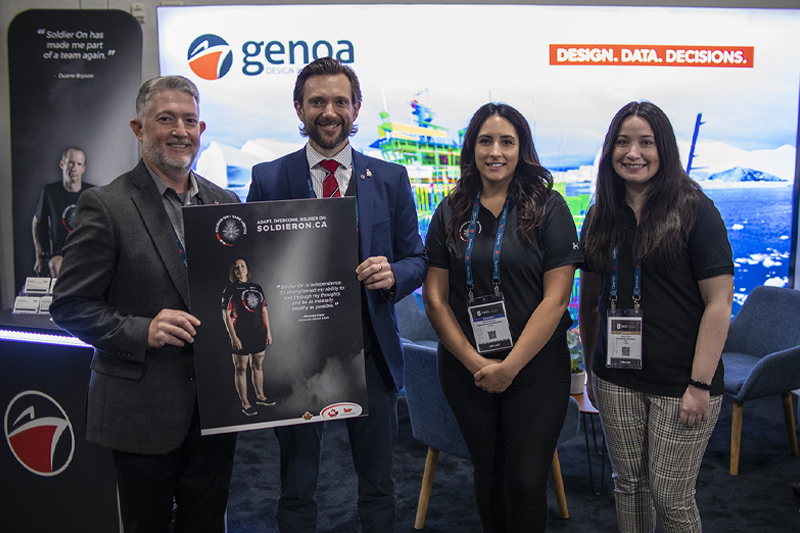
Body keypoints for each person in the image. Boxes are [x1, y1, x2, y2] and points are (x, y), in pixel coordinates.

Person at [49, 76, 240, 533]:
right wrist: (141, 329)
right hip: (142, 412)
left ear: (202, 128)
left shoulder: (225, 202)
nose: (180, 130)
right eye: (165, 119)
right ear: (138, 128)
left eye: (189, 120)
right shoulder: (106, 205)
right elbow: (70, 305)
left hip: (216, 411)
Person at [247, 57, 427, 533]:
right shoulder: (268, 178)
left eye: (340, 101)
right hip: (295, 355)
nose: (329, 111)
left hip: (370, 351)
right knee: (296, 483)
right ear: (299, 109)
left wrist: (394, 274)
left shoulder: (390, 179)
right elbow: (248, 265)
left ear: (357, 107)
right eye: (317, 102)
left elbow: (417, 259)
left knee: (378, 484)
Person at [423, 102, 582, 532]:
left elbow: (556, 299)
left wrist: (509, 367)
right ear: (471, 148)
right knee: (488, 471)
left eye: (507, 142)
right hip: (466, 367)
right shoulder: (451, 209)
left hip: (536, 366)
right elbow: (435, 299)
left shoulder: (549, 208)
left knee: (527, 480)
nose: (496, 151)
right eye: (486, 141)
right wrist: (477, 363)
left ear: (521, 148)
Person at [578, 101, 734, 533]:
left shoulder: (695, 210)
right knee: (629, 485)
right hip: (616, 379)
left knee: (671, 498)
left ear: (664, 149)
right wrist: (593, 367)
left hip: (682, 383)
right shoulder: (600, 215)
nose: (634, 153)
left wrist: (700, 385)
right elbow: (589, 300)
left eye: (646, 142)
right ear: (610, 151)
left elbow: (719, 303)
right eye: (623, 142)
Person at [221, 257, 274, 417]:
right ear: (233, 271)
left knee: (257, 366)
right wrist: (234, 337)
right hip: (241, 333)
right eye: (236, 267)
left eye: (242, 266)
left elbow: (264, 311)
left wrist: (268, 332)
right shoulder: (230, 289)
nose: (239, 269)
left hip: (258, 332)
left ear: (247, 269)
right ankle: (245, 402)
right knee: (241, 368)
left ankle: (260, 396)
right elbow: (226, 315)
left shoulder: (257, 287)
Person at [32, 146, 94, 277]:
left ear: (83, 169)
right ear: (62, 164)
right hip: (60, 252)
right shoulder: (50, 192)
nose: (74, 168)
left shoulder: (92, 193)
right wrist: (39, 256)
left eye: (79, 164)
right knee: (55, 265)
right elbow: (37, 223)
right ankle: (63, 297)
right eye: (71, 162)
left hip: (85, 250)